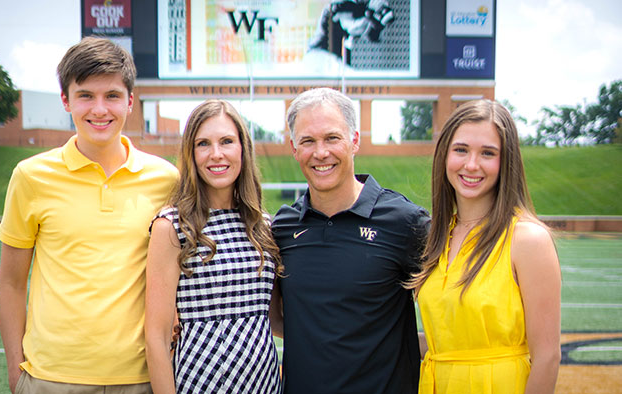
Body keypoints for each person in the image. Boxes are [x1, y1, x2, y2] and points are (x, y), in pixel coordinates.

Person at [0, 37, 178, 393]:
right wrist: (16, 371)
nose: (99, 109)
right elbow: (12, 283)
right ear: (66, 100)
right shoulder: (31, 176)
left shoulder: (166, 179)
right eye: (85, 96)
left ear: (129, 101)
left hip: (141, 378)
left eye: (111, 95)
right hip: (51, 379)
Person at [270, 87, 430, 393]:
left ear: (354, 140)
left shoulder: (405, 222)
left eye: (332, 138)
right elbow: (277, 317)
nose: (320, 152)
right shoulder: (282, 228)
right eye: (308, 141)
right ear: (293, 148)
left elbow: (450, 305)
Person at [408, 100, 561, 393]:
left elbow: (547, 357)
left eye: (488, 153)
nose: (471, 164)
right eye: (461, 149)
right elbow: (452, 338)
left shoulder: (527, 239)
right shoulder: (436, 237)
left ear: (506, 161)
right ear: (444, 155)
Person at [145, 100, 282, 394]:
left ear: (242, 149)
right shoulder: (171, 227)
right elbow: (156, 337)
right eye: (203, 143)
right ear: (191, 154)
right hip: (200, 382)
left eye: (227, 141)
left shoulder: (263, 226)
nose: (216, 154)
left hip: (264, 383)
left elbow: (275, 320)